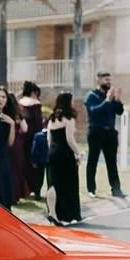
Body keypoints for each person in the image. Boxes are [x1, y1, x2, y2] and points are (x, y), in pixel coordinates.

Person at [84, 71, 127, 198]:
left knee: (112, 162)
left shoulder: (111, 96)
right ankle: (91, 189)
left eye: (109, 80)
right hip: (96, 131)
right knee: (93, 160)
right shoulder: (91, 96)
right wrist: (107, 101)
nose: (108, 82)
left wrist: (118, 100)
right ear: (98, 80)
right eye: (105, 80)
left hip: (110, 133)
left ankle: (116, 189)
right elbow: (93, 112)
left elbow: (119, 112)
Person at [44, 91, 82, 225]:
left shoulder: (51, 119)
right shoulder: (69, 119)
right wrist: (79, 152)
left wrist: (51, 152)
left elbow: (49, 139)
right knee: (67, 184)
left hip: (52, 153)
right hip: (65, 154)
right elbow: (70, 139)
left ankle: (52, 213)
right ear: (67, 102)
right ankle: (67, 214)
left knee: (52, 184)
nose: (73, 103)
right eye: (71, 100)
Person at [17, 82, 46, 200]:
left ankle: (25, 189)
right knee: (37, 165)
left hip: (23, 138)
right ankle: (37, 190)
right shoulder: (36, 104)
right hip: (35, 138)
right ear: (34, 92)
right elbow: (38, 123)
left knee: (24, 164)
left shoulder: (19, 103)